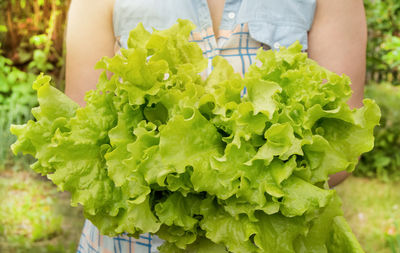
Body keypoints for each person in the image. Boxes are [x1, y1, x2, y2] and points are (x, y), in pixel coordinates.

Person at [66, 0, 367, 252]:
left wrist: (202, 183)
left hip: (270, 237)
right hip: (135, 240)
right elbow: (82, 142)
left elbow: (339, 145)